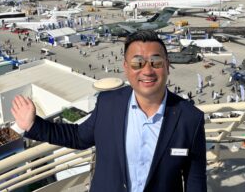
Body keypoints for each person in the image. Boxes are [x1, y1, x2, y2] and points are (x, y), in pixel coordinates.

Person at [12, 30, 207, 192]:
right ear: (125, 68)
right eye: (137, 63)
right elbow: (79, 137)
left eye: (156, 62)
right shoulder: (109, 104)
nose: (147, 71)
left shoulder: (190, 118)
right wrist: (34, 125)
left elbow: (195, 179)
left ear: (167, 66)